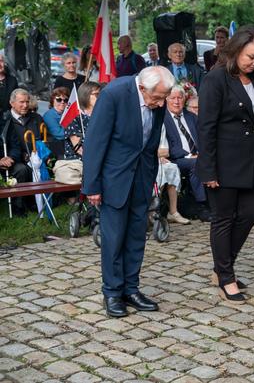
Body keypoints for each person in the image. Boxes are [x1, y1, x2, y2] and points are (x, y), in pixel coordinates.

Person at [82, 66, 174, 318]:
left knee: (136, 235)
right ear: (142, 88)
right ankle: (112, 292)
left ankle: (131, 289)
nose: (160, 103)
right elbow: (95, 140)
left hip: (142, 176)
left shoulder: (158, 97)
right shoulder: (114, 94)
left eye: (164, 98)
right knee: (113, 238)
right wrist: (92, 185)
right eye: (157, 97)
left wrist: (152, 172)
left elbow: (152, 139)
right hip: (115, 178)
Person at [197, 25, 254, 301]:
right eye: (251, 56)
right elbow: (205, 127)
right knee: (223, 220)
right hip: (223, 162)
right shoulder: (216, 79)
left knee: (251, 213)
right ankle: (226, 277)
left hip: (251, 161)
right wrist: (208, 168)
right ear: (237, 49)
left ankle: (221, 266)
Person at [163, 86, 211, 222]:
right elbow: (166, 146)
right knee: (196, 163)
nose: (176, 101)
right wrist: (190, 155)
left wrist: (203, 153)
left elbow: (204, 138)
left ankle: (221, 202)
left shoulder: (191, 117)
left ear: (185, 99)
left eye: (180, 98)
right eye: (173, 98)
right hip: (175, 159)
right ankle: (201, 205)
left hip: (198, 156)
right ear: (166, 99)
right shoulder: (162, 119)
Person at [54, 82, 101, 185]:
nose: (101, 97)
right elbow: (78, 148)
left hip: (99, 161)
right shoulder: (75, 117)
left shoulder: (102, 116)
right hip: (79, 163)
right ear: (86, 95)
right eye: (97, 94)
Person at [157, 125, 190, 225]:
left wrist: (156, 155)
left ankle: (173, 211)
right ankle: (152, 211)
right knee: (157, 171)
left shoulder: (160, 124)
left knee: (171, 168)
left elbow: (165, 152)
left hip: (157, 159)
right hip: (140, 160)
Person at [1, 113, 30, 215]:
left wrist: (11, 158)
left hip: (7, 160)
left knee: (21, 169)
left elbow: (15, 145)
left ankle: (18, 207)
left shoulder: (5, 123)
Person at [8, 88, 45, 161]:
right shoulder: (5, 120)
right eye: (21, 102)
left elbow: (47, 138)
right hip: (17, 160)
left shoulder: (37, 118)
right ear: (12, 103)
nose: (25, 105)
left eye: (27, 102)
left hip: (40, 158)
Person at [42, 87, 70, 159]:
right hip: (56, 148)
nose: (62, 102)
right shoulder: (49, 115)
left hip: (68, 145)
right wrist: (73, 132)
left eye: (65, 100)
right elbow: (59, 134)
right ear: (52, 100)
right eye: (59, 99)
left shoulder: (69, 113)